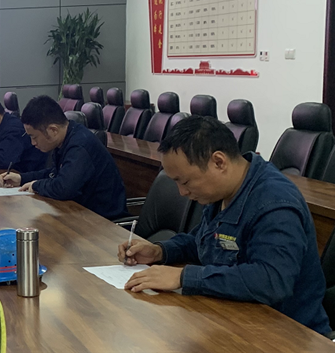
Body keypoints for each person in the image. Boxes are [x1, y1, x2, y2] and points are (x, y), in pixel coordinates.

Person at [118, 116, 331, 335]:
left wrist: (183, 277)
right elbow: (206, 241)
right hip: (236, 320)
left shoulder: (275, 203)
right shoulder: (225, 191)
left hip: (288, 334)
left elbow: (272, 280)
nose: (182, 192)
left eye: (185, 181)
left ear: (219, 162)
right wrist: (160, 251)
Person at [0, 96, 128, 220]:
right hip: (81, 214)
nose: (33, 143)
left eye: (34, 137)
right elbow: (54, 174)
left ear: (53, 130)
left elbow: (64, 188)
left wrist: (36, 185)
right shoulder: (66, 137)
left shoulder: (80, 145)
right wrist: (22, 178)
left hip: (104, 223)